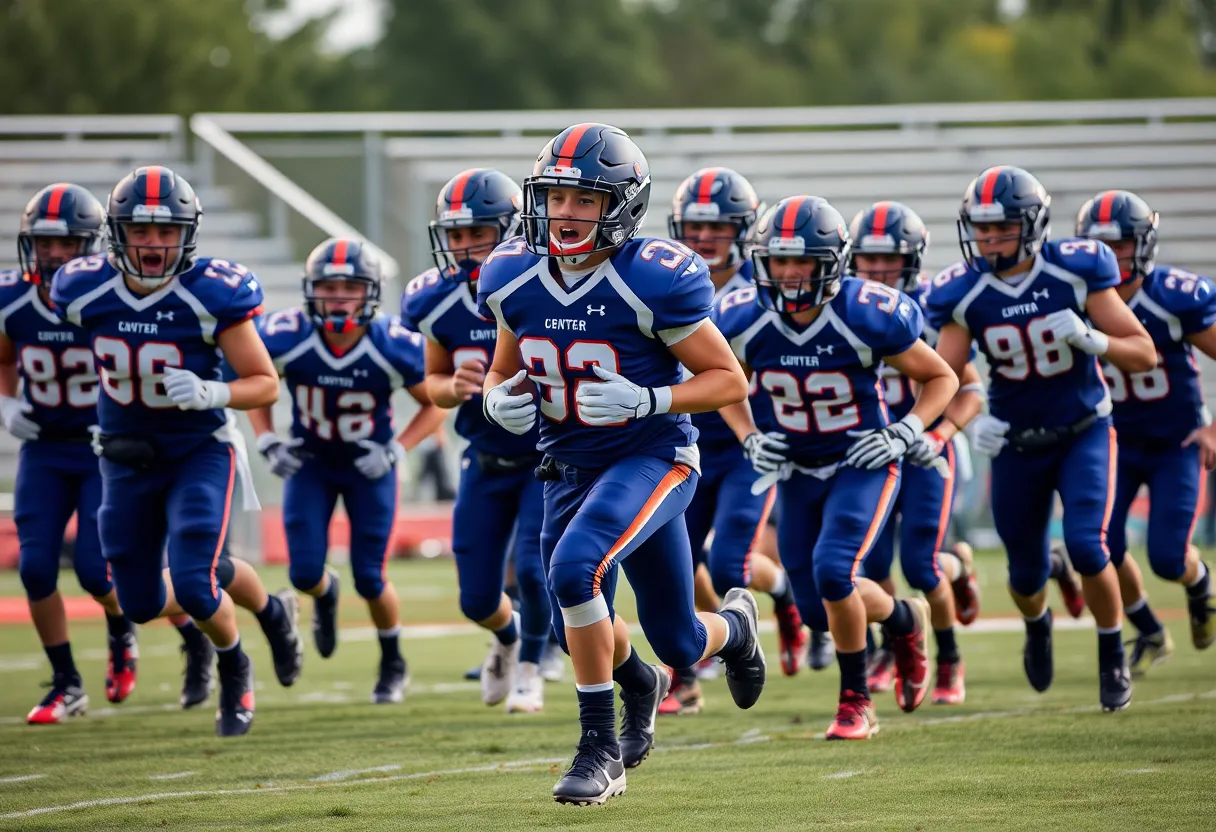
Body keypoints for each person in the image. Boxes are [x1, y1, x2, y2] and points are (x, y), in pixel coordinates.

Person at [477, 123, 765, 805]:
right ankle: (713, 643)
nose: (566, 213)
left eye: (586, 200)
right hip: (565, 466)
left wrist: (649, 397)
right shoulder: (512, 272)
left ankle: (597, 748)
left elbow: (729, 381)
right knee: (678, 635)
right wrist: (496, 402)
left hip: (653, 455)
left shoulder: (653, 277)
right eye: (555, 197)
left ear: (622, 205)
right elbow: (501, 368)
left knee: (575, 571)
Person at [50, 166, 303, 737]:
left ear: (188, 233)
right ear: (118, 232)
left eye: (168, 231)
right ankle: (273, 610)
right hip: (123, 456)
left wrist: (215, 391)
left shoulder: (210, 293)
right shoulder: (81, 289)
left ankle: (235, 666)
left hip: (198, 451)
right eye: (143, 230)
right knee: (138, 601)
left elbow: (265, 383)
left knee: (194, 580)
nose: (156, 243)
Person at [716, 195, 954, 740]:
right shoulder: (745, 316)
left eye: (803, 261)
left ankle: (855, 702)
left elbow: (942, 377)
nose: (790, 273)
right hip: (797, 468)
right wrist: (747, 435)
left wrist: (905, 430)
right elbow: (726, 381)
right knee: (821, 610)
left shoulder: (865, 311)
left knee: (833, 572)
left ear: (834, 263)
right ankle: (901, 619)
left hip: (860, 461)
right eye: (779, 261)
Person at [928, 165, 1157, 712]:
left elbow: (1143, 351)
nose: (987, 239)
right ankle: (1038, 623)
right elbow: (943, 373)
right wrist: (964, 418)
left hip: (1083, 431)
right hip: (1015, 441)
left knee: (1087, 544)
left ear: (1031, 225)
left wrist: (1093, 338)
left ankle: (1111, 654)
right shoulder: (964, 290)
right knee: (1024, 572)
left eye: (1000, 227)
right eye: (980, 228)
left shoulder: (1076, 272)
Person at [250, 237, 442, 704]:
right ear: (310, 289)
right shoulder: (287, 333)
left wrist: (396, 450)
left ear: (370, 292)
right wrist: (268, 438)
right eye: (328, 286)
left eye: (349, 287)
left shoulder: (390, 343)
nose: (338, 297)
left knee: (371, 577)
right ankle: (324, 592)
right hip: (310, 462)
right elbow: (254, 381)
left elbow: (435, 404)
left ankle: (392, 661)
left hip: (368, 466)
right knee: (302, 574)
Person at [401, 168, 553, 713]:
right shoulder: (433, 299)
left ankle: (533, 668)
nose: (464, 247)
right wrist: (452, 386)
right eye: (456, 235)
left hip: (548, 456)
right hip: (484, 457)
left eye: (477, 233)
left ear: (511, 229)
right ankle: (509, 639)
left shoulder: (539, 282)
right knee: (475, 597)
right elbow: (433, 384)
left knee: (537, 570)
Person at [660, 166, 806, 716]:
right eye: (694, 226)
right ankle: (687, 670)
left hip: (750, 441)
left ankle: (779, 599)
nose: (702, 238)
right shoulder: (664, 278)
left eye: (717, 227)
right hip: (683, 436)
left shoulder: (772, 281)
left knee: (728, 564)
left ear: (743, 229)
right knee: (674, 562)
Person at [3, 183, 139, 723]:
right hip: (43, 448)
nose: (54, 254)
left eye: (67, 243)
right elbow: (4, 359)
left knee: (93, 569)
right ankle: (66, 681)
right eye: (44, 243)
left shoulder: (107, 294)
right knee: (35, 569)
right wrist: (6, 404)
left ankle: (120, 629)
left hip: (101, 447)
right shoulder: (11, 297)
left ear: (92, 244)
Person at [1068, 189, 1215, 670]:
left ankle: (1200, 582)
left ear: (1143, 245)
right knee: (1098, 546)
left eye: (1119, 245)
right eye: (1098, 247)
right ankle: (1150, 631)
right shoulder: (1074, 296)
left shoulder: (1174, 295)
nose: (1109, 257)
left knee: (1168, 558)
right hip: (1111, 441)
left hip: (1176, 443)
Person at [848, 201, 983, 705]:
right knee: (873, 563)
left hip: (923, 453)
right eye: (868, 259)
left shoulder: (925, 311)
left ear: (913, 260)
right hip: (867, 456)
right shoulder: (843, 306)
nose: (878, 270)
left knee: (922, 565)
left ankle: (948, 658)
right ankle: (889, 646)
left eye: (890, 259)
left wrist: (937, 433)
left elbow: (969, 388)